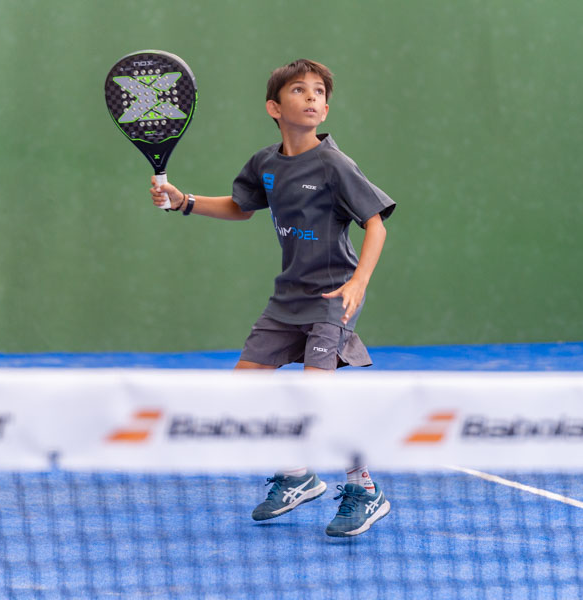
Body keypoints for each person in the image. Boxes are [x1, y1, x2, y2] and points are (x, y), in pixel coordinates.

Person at [149, 59, 395, 536]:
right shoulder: (266, 164)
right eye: (299, 90)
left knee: (315, 397)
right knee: (244, 391)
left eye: (319, 91)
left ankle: (364, 486)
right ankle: (297, 475)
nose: (312, 97)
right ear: (274, 108)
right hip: (287, 298)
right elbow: (241, 208)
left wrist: (359, 282)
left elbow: (375, 223)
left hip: (332, 295)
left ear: (326, 109)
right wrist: (185, 202)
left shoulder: (334, 165)